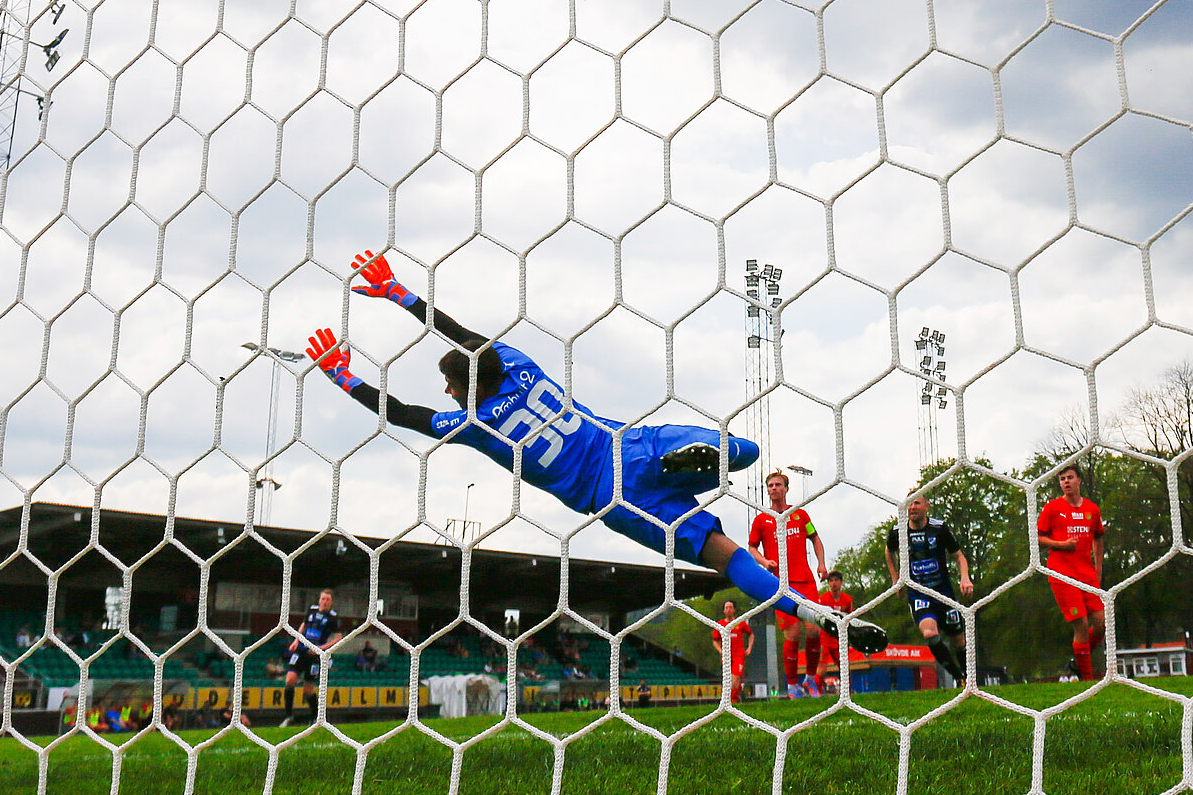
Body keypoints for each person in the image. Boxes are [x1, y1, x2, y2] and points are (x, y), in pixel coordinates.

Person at [305, 250, 887, 656]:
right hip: (628, 444)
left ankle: (819, 618)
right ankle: (714, 458)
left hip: (616, 499)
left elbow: (401, 413)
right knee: (746, 450)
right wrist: (400, 294)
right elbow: (462, 333)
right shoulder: (521, 367)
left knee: (722, 556)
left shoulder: (477, 423)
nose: (448, 393)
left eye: (451, 387)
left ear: (465, 392)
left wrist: (344, 378)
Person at [749, 470, 828, 698]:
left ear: (786, 488)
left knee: (814, 630)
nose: (774, 488)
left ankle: (810, 680)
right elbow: (752, 547)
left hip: (805, 581)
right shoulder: (762, 519)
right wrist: (764, 561)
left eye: (778, 485)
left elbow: (815, 538)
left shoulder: (800, 515)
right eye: (771, 485)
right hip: (780, 584)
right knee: (792, 635)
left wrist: (821, 564)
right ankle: (792, 685)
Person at [886, 494, 974, 688]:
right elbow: (889, 550)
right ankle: (959, 677)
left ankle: (971, 680)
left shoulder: (939, 528)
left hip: (943, 592)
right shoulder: (898, 532)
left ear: (926, 506)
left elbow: (959, 556)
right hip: (919, 593)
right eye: (908, 504)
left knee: (958, 641)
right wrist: (896, 579)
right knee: (929, 633)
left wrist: (965, 577)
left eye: (916, 503)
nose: (912, 507)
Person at [1037, 465, 1105, 680]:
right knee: (1082, 624)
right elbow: (1037, 539)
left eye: (1070, 478)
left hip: (1087, 573)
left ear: (1079, 480)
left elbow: (1099, 537)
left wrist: (1098, 569)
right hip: (1061, 574)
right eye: (1062, 479)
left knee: (1101, 624)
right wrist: (1061, 544)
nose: (1066, 482)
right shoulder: (1052, 508)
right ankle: (1087, 679)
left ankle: (1078, 661)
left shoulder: (1092, 510)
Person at [281, 588, 343, 726]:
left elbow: (338, 638)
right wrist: (296, 640)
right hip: (301, 650)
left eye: (328, 600)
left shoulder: (333, 618)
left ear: (331, 602)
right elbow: (303, 625)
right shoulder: (312, 610)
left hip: (315, 655)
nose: (325, 602)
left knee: (308, 690)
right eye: (323, 599)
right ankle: (288, 716)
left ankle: (315, 718)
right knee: (290, 680)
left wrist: (321, 649)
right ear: (319, 600)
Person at [815, 571, 856, 691]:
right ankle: (817, 691)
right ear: (828, 584)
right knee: (822, 667)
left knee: (844, 666)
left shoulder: (847, 600)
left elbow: (850, 618)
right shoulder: (823, 599)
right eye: (831, 581)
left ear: (841, 582)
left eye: (836, 580)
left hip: (839, 639)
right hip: (825, 638)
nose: (834, 583)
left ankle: (847, 691)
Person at [713, 598, 754, 704]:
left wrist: (749, 647)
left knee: (735, 678)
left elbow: (751, 634)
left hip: (738, 655)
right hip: (726, 656)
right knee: (729, 680)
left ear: (734, 610)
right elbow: (715, 641)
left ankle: (732, 701)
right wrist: (720, 651)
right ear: (724, 611)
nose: (728, 610)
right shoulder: (720, 624)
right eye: (726, 608)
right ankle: (736, 693)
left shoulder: (739, 623)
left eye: (730, 607)